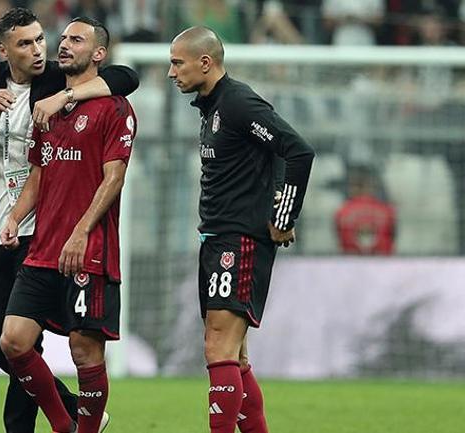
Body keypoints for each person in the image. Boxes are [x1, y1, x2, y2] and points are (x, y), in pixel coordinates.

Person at [0, 7, 138, 433]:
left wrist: (66, 96)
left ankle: (36, 426)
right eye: (25, 43)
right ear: (3, 49)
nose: (39, 50)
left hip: (43, 230)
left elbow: (126, 77)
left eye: (40, 40)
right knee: (1, 346)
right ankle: (75, 411)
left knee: (26, 340)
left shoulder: (56, 79)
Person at [168, 27, 315, 433]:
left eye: (178, 62)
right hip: (216, 238)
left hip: (240, 240)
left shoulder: (238, 102)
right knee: (236, 356)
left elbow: (298, 150)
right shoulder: (211, 107)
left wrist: (283, 217)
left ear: (205, 62)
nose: (170, 72)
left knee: (218, 345)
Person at [0, 17, 136, 433]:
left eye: (76, 39)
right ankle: (63, 424)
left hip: (88, 250)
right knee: (13, 340)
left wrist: (81, 231)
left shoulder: (114, 108)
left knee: (84, 351)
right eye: (63, 38)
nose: (63, 45)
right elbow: (38, 175)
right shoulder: (49, 108)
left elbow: (114, 178)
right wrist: (14, 216)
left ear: (98, 53)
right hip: (43, 249)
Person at [334, 166, 396, 255]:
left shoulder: (343, 211)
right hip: (382, 260)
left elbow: (339, 237)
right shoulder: (387, 211)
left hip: (350, 260)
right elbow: (393, 235)